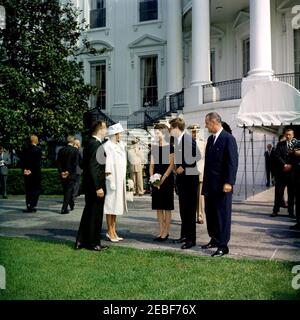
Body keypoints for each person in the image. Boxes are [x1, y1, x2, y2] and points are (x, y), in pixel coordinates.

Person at [201, 112, 238, 257]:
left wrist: (229, 182)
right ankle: (214, 239)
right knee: (211, 214)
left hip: (223, 185)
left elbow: (232, 162)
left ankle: (223, 245)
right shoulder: (210, 140)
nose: (205, 126)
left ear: (214, 122)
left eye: (207, 123)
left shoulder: (228, 139)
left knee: (222, 215)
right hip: (210, 185)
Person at [75, 120, 108, 252]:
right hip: (96, 186)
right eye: (105, 128)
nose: (106, 131)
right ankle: (94, 242)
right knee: (95, 214)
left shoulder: (89, 143)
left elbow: (87, 165)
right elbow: (94, 167)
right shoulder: (97, 145)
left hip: (89, 184)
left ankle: (81, 240)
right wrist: (98, 187)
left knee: (88, 212)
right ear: (99, 129)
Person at [170, 117, 200, 250]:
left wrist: (184, 166)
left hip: (190, 180)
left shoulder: (188, 139)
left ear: (177, 128)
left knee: (189, 211)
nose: (170, 130)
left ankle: (191, 240)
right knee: (183, 210)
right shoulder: (178, 140)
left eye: (171, 128)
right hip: (182, 181)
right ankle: (184, 235)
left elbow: (197, 155)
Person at [150, 123, 175, 242]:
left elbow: (171, 165)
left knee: (167, 207)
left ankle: (166, 231)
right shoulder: (154, 147)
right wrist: (153, 179)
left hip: (167, 180)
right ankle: (161, 231)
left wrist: (162, 179)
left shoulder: (170, 147)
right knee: (158, 207)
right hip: (156, 180)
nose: (156, 134)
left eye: (158, 132)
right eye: (155, 132)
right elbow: (151, 165)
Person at [103, 123, 127, 242]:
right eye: (119, 134)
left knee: (116, 207)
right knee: (110, 206)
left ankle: (114, 230)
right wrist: (110, 179)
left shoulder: (118, 145)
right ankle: (109, 231)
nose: (120, 136)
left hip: (119, 179)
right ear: (114, 134)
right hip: (112, 180)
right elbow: (107, 164)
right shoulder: (107, 146)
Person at [271, 128, 296, 218]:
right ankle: (275, 211)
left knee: (291, 194)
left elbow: (297, 158)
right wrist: (284, 165)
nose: (288, 136)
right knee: (278, 193)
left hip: (292, 173)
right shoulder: (280, 144)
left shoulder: (296, 145)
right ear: (285, 135)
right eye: (286, 134)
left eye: (290, 134)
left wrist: (291, 165)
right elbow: (277, 156)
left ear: (293, 135)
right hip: (281, 173)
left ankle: (291, 212)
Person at [187, 124, 206, 225]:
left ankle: (200, 216)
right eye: (193, 132)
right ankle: (189, 216)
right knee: (190, 196)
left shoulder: (203, 143)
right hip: (189, 172)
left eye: (196, 131)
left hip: (200, 172)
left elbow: (206, 158)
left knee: (200, 196)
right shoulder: (186, 143)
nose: (195, 133)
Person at [57, 136, 80, 214]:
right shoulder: (75, 150)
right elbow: (75, 163)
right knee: (68, 190)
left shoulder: (61, 150)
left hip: (63, 174)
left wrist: (62, 172)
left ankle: (71, 204)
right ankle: (64, 208)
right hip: (71, 174)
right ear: (73, 141)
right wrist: (68, 172)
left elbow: (58, 163)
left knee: (66, 190)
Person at [21, 135, 42, 213]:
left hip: (27, 172)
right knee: (36, 189)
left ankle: (29, 205)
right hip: (35, 173)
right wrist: (31, 170)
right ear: (36, 140)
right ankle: (33, 205)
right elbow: (37, 163)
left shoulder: (25, 149)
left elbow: (22, 161)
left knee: (28, 189)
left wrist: (25, 170)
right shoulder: (38, 149)